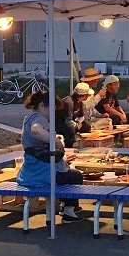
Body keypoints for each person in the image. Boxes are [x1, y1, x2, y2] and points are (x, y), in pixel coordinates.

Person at [17, 91, 85, 223]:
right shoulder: (38, 117)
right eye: (52, 108)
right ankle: (69, 210)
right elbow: (36, 130)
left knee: (69, 173)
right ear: (42, 105)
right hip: (42, 173)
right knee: (75, 176)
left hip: (30, 172)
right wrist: (55, 141)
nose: (53, 112)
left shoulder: (29, 118)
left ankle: (68, 206)